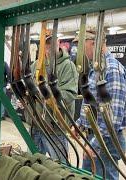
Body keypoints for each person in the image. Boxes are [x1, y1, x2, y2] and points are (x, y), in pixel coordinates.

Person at [73, 29, 126, 180]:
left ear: (93, 44)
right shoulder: (95, 69)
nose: (80, 51)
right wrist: (80, 124)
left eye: (81, 46)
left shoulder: (112, 69)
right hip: (94, 139)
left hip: (105, 143)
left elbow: (113, 116)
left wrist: (95, 143)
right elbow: (92, 103)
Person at [28, 32, 79, 161]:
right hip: (36, 126)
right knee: (34, 166)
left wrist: (46, 93)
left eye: (52, 43)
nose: (49, 47)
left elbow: (69, 94)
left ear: (59, 42)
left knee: (59, 168)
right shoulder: (35, 66)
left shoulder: (68, 66)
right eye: (46, 44)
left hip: (55, 129)